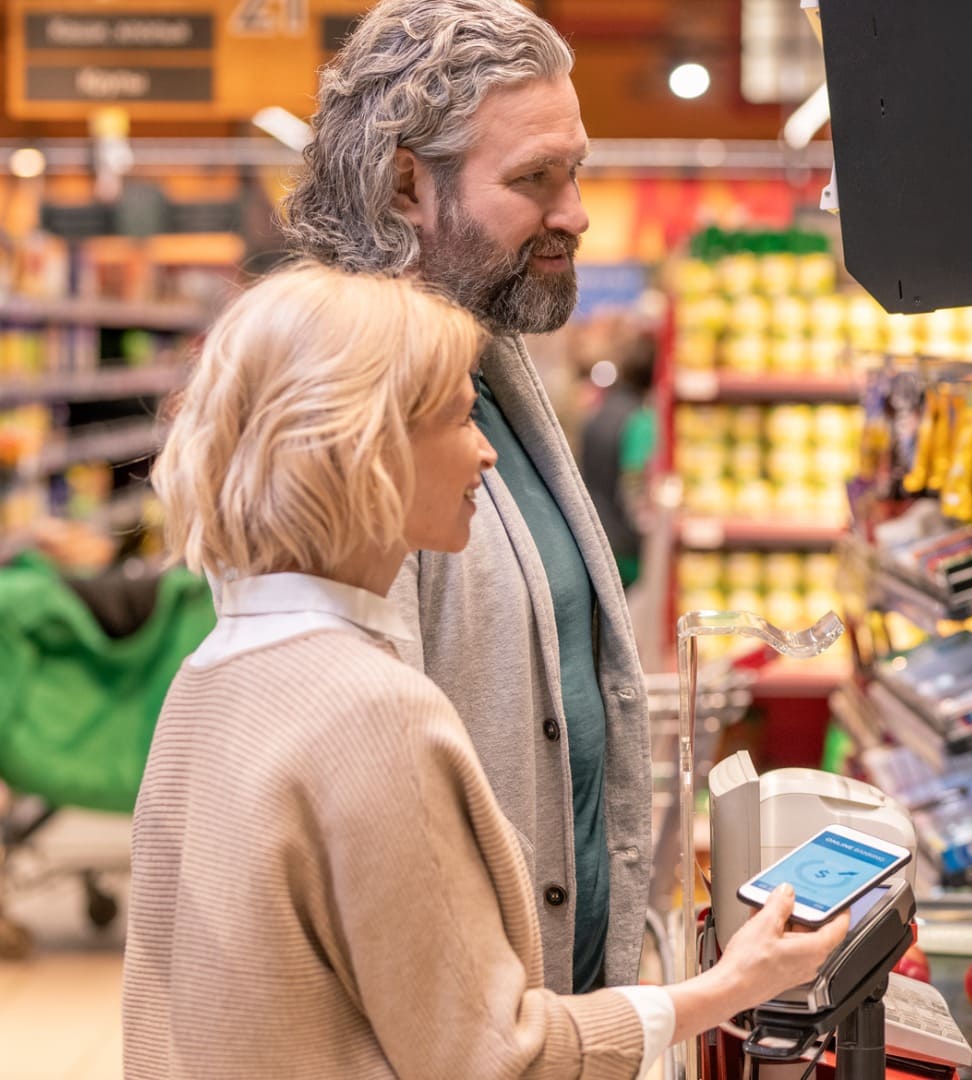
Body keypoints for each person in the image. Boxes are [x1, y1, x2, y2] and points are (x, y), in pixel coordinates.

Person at [127, 263, 846, 1079]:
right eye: (463, 418)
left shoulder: (209, 676)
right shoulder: (376, 714)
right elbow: (498, 1058)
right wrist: (726, 987)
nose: (487, 454)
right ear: (373, 444)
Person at [281, 0, 646, 995]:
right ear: (407, 184)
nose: (574, 213)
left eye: (576, 172)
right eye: (533, 179)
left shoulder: (487, 366)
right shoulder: (345, 417)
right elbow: (362, 818)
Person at [579, 332, 661, 589]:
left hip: (592, 531)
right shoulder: (640, 420)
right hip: (622, 546)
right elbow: (633, 481)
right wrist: (648, 529)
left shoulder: (600, 410)